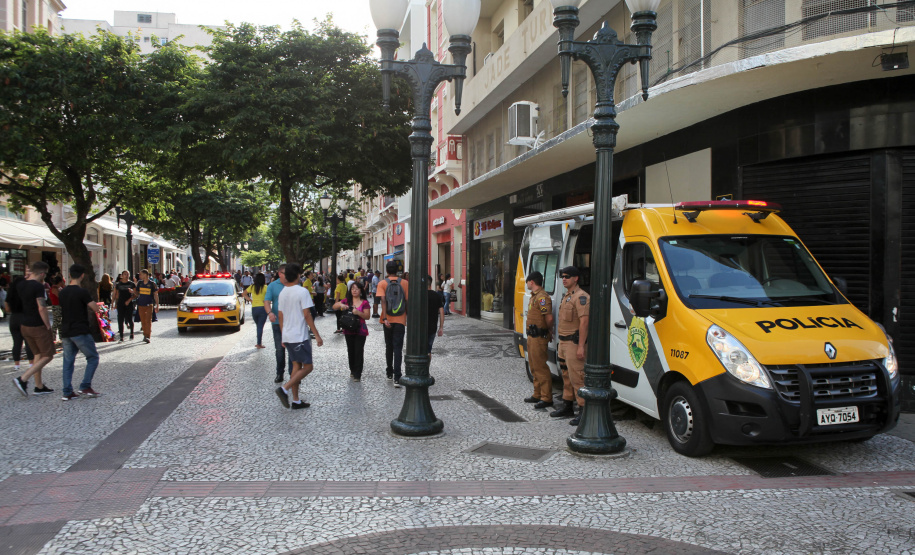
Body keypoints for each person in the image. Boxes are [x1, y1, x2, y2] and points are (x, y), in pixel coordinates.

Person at [275, 263, 323, 409]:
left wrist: (283, 335)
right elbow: (307, 314)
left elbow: (280, 316)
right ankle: (284, 388)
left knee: (296, 366)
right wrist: (317, 335)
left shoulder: (283, 292)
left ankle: (296, 400)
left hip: (289, 335)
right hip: (299, 336)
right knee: (308, 367)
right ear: (297, 275)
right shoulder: (302, 292)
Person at [58, 264, 103, 401]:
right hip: (80, 330)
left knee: (68, 361)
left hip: (66, 331)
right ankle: (85, 385)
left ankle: (67, 391)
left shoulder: (62, 292)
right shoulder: (82, 292)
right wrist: (98, 306)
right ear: (82, 275)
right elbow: (94, 308)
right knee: (92, 357)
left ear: (70, 275)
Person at [551, 266, 589, 426]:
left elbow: (584, 322)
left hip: (574, 343)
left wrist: (581, 346)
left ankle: (583, 410)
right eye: (562, 276)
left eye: (567, 276)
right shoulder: (567, 296)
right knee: (566, 376)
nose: (564, 279)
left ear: (576, 278)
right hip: (563, 343)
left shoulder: (581, 297)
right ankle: (567, 405)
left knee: (577, 377)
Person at [12, 261, 55, 397]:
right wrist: (48, 325)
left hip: (24, 324)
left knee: (37, 354)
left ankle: (39, 386)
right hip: (37, 325)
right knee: (48, 355)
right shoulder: (38, 286)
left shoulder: (20, 284)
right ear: (42, 273)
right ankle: (23, 379)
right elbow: (41, 307)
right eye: (45, 274)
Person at [524, 271, 554, 409]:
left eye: (527, 282)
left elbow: (548, 317)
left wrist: (548, 330)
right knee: (533, 366)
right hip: (532, 336)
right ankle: (537, 393)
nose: (527, 284)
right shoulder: (534, 296)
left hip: (538, 337)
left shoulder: (542, 297)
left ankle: (546, 397)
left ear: (532, 282)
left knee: (540, 367)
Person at [378, 260, 408, 386]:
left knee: (389, 346)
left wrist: (385, 318)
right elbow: (407, 301)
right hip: (400, 319)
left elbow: (383, 301)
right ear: (397, 270)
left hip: (387, 319)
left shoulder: (382, 283)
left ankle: (389, 371)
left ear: (386, 270)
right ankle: (397, 376)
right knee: (398, 348)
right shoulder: (405, 283)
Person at [333, 280, 371, 381]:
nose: (354, 290)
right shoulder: (346, 301)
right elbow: (334, 306)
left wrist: (358, 312)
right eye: (353, 289)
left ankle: (358, 374)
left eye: (357, 289)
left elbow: (367, 316)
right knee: (351, 350)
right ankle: (352, 370)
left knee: (359, 351)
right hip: (348, 329)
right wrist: (341, 305)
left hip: (360, 330)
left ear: (361, 291)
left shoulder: (365, 302)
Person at [264, 264, 295, 383]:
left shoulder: (294, 284)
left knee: (292, 348)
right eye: (286, 273)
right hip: (277, 322)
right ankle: (279, 373)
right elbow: (267, 301)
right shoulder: (272, 286)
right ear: (279, 274)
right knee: (279, 349)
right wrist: (270, 313)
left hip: (292, 322)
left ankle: (293, 374)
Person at [5, 276, 35, 374]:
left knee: (17, 343)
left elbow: (7, 309)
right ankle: (31, 363)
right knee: (28, 342)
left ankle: (17, 365)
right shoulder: (26, 293)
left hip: (14, 318)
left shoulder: (10, 293)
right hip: (25, 317)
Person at [135, 269, 159, 344]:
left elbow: (156, 295)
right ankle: (145, 334)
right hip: (141, 304)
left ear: (145, 275)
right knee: (143, 320)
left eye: (141, 274)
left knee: (148, 320)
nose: (140, 276)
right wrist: (133, 292)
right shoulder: (139, 283)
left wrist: (157, 305)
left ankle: (147, 336)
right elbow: (137, 293)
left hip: (149, 304)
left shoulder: (152, 284)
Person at [245, 272, 268, 349]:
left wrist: (250, 300)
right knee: (260, 326)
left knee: (258, 326)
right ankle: (259, 343)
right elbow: (268, 297)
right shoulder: (265, 287)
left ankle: (258, 341)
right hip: (263, 308)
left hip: (254, 308)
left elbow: (244, 294)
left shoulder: (252, 287)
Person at [112, 270, 137, 342]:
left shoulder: (132, 284)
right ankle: (121, 337)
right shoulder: (118, 284)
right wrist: (113, 303)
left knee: (129, 318)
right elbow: (114, 295)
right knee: (120, 319)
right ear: (122, 275)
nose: (126, 276)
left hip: (129, 303)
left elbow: (136, 294)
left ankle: (131, 333)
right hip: (120, 303)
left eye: (128, 274)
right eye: (125, 274)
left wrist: (130, 297)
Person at [426, 275, 444, 356]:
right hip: (432, 326)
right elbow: (442, 312)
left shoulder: (420, 296)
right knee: (428, 350)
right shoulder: (437, 295)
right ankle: (427, 368)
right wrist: (441, 327)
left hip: (421, 328)